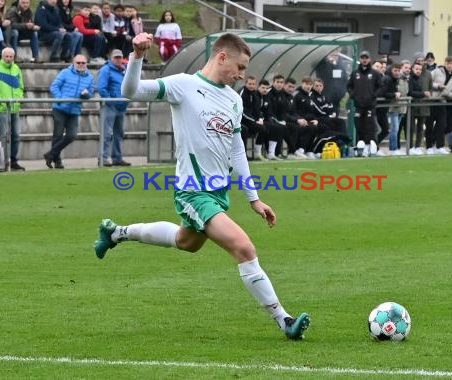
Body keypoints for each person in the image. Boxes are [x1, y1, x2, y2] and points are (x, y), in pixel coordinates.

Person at [95, 32, 310, 340]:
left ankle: (117, 232)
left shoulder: (233, 100)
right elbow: (132, 91)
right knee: (244, 248)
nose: (241, 75)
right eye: (239, 67)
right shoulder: (183, 86)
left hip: (218, 193)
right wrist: (138, 56)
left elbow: (237, 151)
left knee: (187, 242)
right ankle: (284, 320)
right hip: (192, 192)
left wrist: (254, 199)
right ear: (222, 57)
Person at [44, 54, 94, 169]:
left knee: (71, 135)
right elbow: (54, 86)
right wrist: (60, 99)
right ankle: (57, 161)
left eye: (83, 63)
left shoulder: (89, 77)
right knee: (58, 135)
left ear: (86, 64)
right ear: (73, 63)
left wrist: (86, 95)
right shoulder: (65, 72)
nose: (81, 65)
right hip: (60, 108)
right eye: (78, 63)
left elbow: (90, 93)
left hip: (74, 110)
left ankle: (50, 155)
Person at [0, 47, 25, 171]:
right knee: (2, 135)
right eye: (6, 56)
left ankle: (13, 161)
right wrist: (2, 100)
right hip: (2, 108)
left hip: (14, 108)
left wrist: (19, 100)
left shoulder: (16, 69)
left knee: (16, 136)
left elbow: (20, 88)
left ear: (14, 57)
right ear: (2, 57)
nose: (8, 59)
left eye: (10, 56)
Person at [97, 49, 130, 166]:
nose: (118, 59)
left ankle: (117, 157)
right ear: (111, 58)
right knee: (107, 133)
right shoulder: (106, 70)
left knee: (119, 133)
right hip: (110, 106)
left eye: (120, 57)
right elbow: (101, 88)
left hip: (121, 106)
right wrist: (111, 100)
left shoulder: (124, 70)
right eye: (116, 57)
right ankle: (103, 158)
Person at [314, 48, 349, 116]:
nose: (334, 57)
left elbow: (345, 81)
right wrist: (329, 63)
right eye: (332, 55)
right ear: (328, 55)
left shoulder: (341, 67)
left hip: (336, 99)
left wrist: (342, 94)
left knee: (335, 118)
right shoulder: (323, 65)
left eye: (336, 56)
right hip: (324, 98)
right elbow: (318, 69)